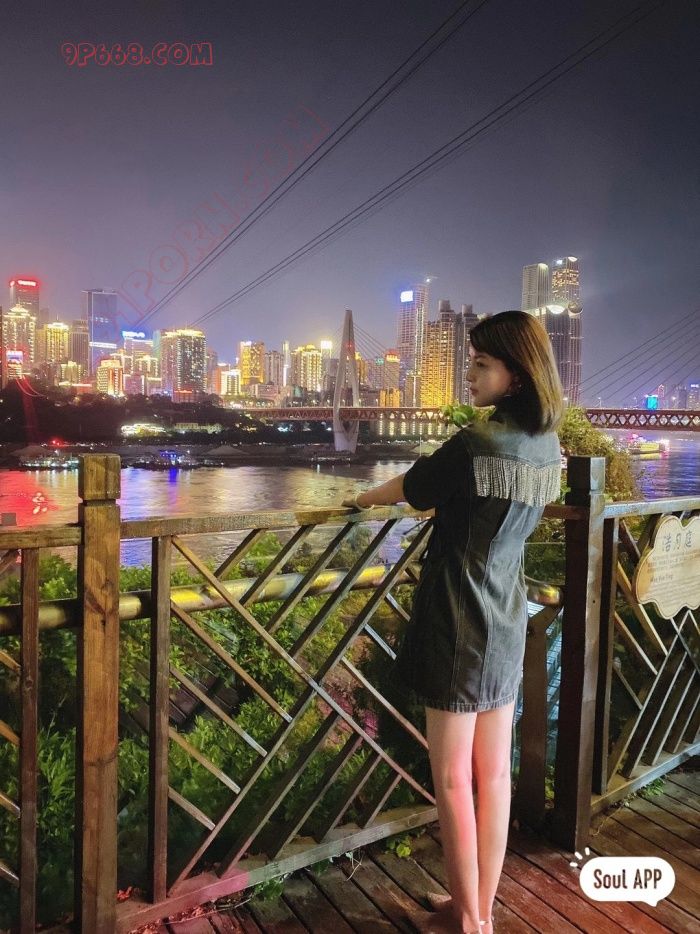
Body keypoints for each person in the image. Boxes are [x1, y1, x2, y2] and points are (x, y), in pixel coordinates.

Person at [343, 311, 564, 934]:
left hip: (456, 616)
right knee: (495, 776)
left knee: (450, 777)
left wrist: (360, 499)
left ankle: (469, 922)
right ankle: (478, 907)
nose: (470, 374)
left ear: (516, 375)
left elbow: (411, 487)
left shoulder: (476, 444)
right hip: (507, 614)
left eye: (482, 365)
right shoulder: (547, 446)